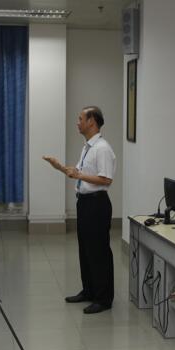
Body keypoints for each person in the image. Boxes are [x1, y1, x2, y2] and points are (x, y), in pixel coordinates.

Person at [43, 106, 116, 314]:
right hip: (84, 203)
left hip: (97, 204)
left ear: (91, 121)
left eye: (80, 118)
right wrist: (58, 166)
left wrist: (79, 175)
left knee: (99, 251)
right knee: (85, 250)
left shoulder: (102, 148)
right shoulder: (88, 148)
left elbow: (106, 179)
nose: (78, 122)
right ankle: (89, 291)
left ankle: (103, 299)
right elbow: (76, 172)